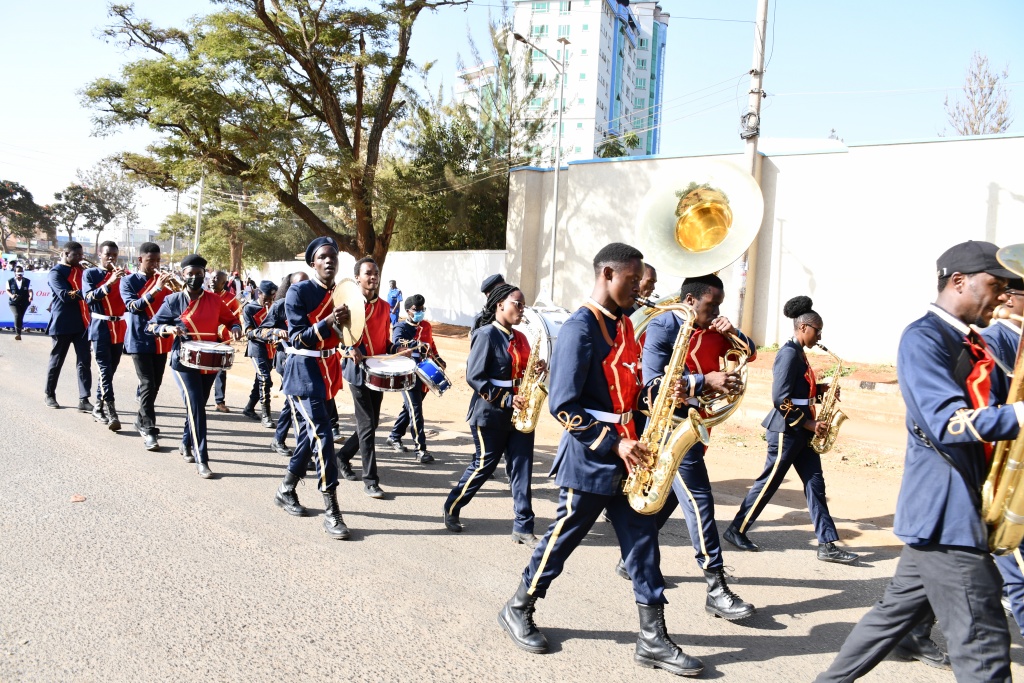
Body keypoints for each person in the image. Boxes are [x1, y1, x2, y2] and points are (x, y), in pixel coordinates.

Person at [816, 240, 1022, 682]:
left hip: (949, 511)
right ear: (959, 281)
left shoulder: (972, 340)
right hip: (948, 515)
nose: (1004, 297)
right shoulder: (924, 337)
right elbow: (947, 422)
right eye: (996, 285)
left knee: (890, 618)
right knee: (983, 647)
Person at [497, 243, 704, 676]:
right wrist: (613, 444)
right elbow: (563, 404)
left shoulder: (625, 324)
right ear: (607, 274)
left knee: (643, 543)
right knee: (563, 538)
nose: (640, 288)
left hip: (630, 452)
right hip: (592, 457)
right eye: (633, 280)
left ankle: (652, 639)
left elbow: (629, 392)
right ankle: (518, 606)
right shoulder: (579, 327)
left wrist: (665, 392)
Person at [616, 274, 755, 621]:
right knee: (699, 500)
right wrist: (706, 381)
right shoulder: (663, 325)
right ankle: (716, 588)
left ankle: (631, 557)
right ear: (690, 301)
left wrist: (733, 333)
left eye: (720, 306)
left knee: (671, 497)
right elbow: (652, 385)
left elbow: (749, 353)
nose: (717, 312)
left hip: (696, 422)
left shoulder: (715, 328)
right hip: (667, 423)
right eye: (712, 305)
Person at [723, 295, 859, 564]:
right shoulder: (788, 354)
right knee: (769, 483)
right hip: (787, 431)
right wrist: (809, 423)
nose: (819, 336)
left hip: (801, 431)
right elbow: (780, 398)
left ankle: (827, 544)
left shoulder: (799, 353)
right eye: (817, 330)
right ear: (804, 327)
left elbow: (799, 393)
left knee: (815, 484)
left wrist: (821, 391)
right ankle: (736, 530)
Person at [442, 283, 541, 545]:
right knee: (484, 465)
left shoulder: (521, 337)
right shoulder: (485, 335)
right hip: (490, 413)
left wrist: (536, 369)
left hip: (519, 414)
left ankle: (523, 526)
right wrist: (506, 398)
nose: (522, 309)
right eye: (517, 304)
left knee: (522, 469)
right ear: (500, 305)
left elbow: (522, 371)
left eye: (524, 305)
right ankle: (452, 506)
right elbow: (475, 377)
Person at [274, 237, 352, 539]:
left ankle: (286, 489)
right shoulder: (299, 291)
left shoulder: (343, 292)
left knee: (309, 438)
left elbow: (350, 334)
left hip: (328, 370)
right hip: (303, 371)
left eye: (333, 256)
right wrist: (328, 321)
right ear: (312, 263)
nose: (329, 260)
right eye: (323, 257)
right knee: (323, 436)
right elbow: (296, 338)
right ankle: (332, 509)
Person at [149, 254, 242, 479]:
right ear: (183, 275)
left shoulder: (214, 300)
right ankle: (202, 459)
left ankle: (185, 442)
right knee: (197, 406)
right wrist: (168, 329)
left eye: (198, 274)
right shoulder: (173, 300)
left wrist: (236, 328)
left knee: (196, 405)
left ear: (204, 275)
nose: (194, 277)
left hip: (209, 361)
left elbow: (232, 320)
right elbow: (152, 326)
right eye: (190, 274)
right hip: (183, 361)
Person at [337, 257, 407, 499]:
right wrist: (349, 348)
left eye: (376, 272)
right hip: (356, 370)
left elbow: (384, 342)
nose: (373, 276)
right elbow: (338, 337)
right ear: (357, 277)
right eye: (368, 273)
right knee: (367, 424)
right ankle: (370, 480)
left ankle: (343, 456)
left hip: (378, 371)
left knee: (372, 423)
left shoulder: (386, 307)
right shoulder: (348, 306)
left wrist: (396, 349)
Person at [121, 243, 174, 452]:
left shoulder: (163, 282)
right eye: (150, 260)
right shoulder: (128, 281)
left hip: (161, 340)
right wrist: (156, 288)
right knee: (147, 383)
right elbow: (133, 307)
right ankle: (149, 429)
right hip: (139, 339)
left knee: (155, 385)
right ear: (140, 260)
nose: (155, 264)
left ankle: (140, 420)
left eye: (158, 261)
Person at [387, 294, 445, 463]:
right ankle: (420, 450)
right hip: (407, 374)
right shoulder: (400, 327)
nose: (420, 312)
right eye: (416, 310)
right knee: (416, 410)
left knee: (411, 408)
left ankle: (394, 436)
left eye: (422, 309)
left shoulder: (426, 326)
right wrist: (417, 344)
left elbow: (431, 345)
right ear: (408, 311)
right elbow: (398, 344)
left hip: (425, 373)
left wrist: (438, 359)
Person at [83, 241, 128, 430]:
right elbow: (88, 298)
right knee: (104, 371)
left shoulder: (124, 275)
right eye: (108, 254)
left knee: (109, 372)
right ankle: (112, 412)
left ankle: (97, 407)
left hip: (119, 328)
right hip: (100, 327)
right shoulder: (90, 274)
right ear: (99, 254)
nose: (111, 258)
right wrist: (109, 283)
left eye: (114, 255)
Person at [263, 272, 308, 458]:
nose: (303, 288)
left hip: (306, 360)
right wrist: (277, 332)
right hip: (286, 360)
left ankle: (278, 439)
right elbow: (263, 330)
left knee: (293, 404)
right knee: (296, 405)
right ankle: (302, 455)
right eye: (299, 284)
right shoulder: (280, 306)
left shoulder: (313, 303)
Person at [44, 241, 93, 411]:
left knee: (84, 362)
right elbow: (65, 295)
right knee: (57, 361)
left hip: (83, 323)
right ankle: (49, 394)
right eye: (76, 255)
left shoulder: (83, 271)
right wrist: (90, 292)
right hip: (63, 323)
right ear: (65, 254)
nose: (80, 258)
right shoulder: (56, 272)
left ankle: (84, 399)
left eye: (81, 255)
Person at [240, 280, 280, 428]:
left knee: (261, 380)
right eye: (266, 298)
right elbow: (249, 332)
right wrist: (265, 333)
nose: (269, 302)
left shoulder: (275, 307)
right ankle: (266, 415)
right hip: (257, 348)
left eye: (272, 298)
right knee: (265, 379)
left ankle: (249, 408)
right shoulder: (249, 308)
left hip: (272, 348)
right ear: (259, 293)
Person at [210, 270, 241, 413]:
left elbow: (236, 320)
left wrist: (235, 329)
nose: (212, 281)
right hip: (204, 337)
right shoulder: (203, 295)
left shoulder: (231, 299)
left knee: (221, 371)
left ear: (223, 283)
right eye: (211, 278)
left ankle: (219, 401)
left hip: (222, 339)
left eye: (216, 279)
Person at [7, 265, 33, 340]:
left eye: (21, 271)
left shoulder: (27, 281)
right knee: (17, 315)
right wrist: (12, 296)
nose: (20, 273)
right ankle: (18, 334)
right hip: (14, 302)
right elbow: (7, 290)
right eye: (18, 271)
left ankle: (19, 331)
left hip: (24, 302)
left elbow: (30, 290)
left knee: (20, 317)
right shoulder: (10, 281)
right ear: (15, 272)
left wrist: (30, 296)